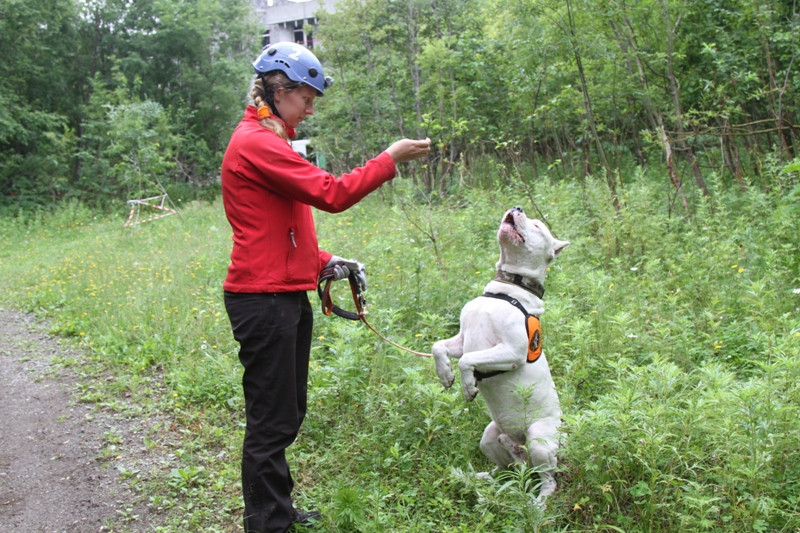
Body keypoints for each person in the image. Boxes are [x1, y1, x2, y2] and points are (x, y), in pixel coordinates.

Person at [220, 42, 430, 533]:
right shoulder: (256, 142)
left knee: (286, 414)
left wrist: (324, 260)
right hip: (262, 300)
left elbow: (276, 227)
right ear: (278, 90)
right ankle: (268, 524)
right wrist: (388, 158)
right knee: (271, 421)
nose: (311, 109)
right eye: (307, 98)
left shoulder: (270, 139)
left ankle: (277, 511)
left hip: (281, 294)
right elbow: (331, 194)